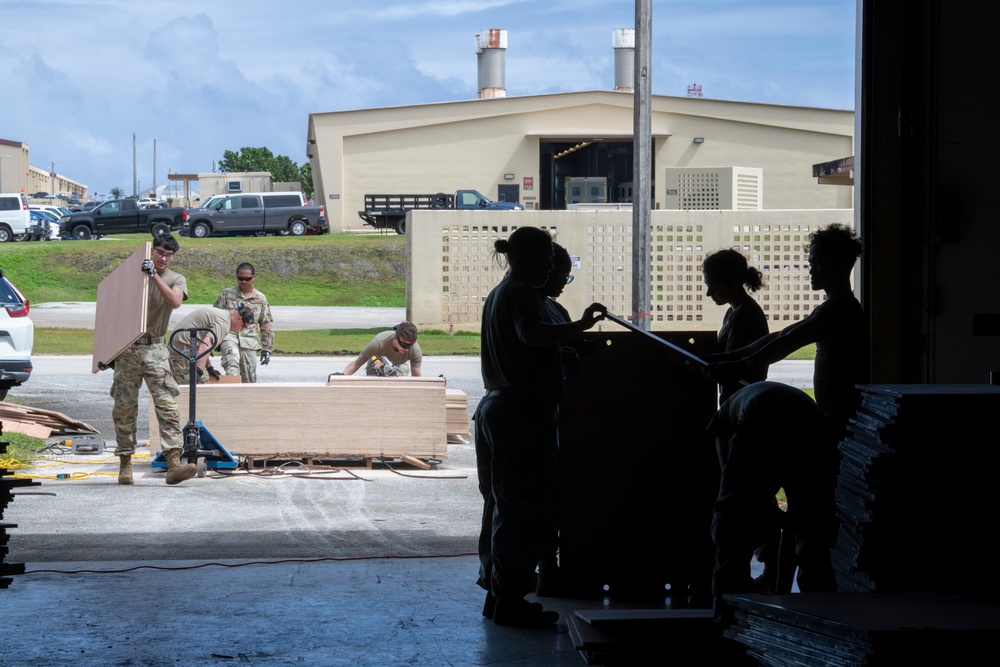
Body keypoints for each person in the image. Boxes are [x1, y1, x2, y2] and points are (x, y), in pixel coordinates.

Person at [475, 226, 606, 628]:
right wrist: (581, 327)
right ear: (528, 258)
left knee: (506, 508)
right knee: (523, 513)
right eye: (548, 259)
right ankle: (511, 600)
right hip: (522, 413)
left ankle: (500, 594)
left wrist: (566, 346)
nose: (552, 267)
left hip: (504, 408)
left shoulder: (503, 293)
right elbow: (530, 336)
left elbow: (532, 345)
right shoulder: (522, 294)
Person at [707, 223, 867, 438]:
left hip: (841, 418)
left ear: (840, 264)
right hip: (835, 415)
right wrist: (731, 357)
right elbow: (781, 335)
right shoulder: (833, 306)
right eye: (811, 263)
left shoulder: (839, 309)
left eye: (818, 263)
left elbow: (789, 340)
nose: (811, 270)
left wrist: (743, 364)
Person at [708, 381, 839, 628]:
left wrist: (764, 511)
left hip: (764, 417)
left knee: (730, 525)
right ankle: (825, 617)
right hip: (814, 428)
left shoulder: (726, 419)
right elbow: (789, 528)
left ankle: (729, 619)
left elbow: (738, 493)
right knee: (811, 536)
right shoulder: (741, 407)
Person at [111, 233, 197, 486]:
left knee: (167, 408)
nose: (164, 258)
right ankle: (125, 464)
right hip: (127, 349)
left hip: (155, 349)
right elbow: (112, 308)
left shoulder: (174, 278)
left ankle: (173, 465)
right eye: (160, 252)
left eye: (169, 255)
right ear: (151, 251)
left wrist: (154, 276)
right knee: (124, 407)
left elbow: (175, 301)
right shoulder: (132, 274)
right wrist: (108, 351)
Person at [702, 248, 769, 405]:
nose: (708, 293)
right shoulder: (735, 311)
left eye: (714, 287)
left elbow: (730, 365)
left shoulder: (744, 316)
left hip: (740, 400)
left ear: (734, 283)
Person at [213, 262, 274, 383]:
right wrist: (212, 341)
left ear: (254, 278)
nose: (244, 281)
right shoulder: (226, 294)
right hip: (229, 336)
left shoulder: (260, 298)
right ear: (236, 277)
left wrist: (267, 348)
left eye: (247, 279)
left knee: (249, 376)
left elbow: (266, 323)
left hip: (249, 340)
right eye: (241, 278)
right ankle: (231, 397)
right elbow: (214, 317)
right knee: (232, 366)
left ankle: (247, 400)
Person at [168, 305, 253, 386]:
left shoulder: (223, 315)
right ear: (239, 319)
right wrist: (198, 372)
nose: (241, 330)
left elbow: (202, 345)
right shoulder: (224, 323)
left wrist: (209, 368)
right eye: (243, 326)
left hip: (184, 344)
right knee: (196, 383)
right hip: (182, 347)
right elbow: (206, 344)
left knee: (201, 380)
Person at [334, 322, 422, 377]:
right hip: (377, 363)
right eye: (403, 345)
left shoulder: (415, 350)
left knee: (396, 382)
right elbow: (357, 363)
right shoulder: (379, 342)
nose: (406, 349)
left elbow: (416, 376)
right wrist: (342, 376)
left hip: (398, 366)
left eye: (409, 345)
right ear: (395, 337)